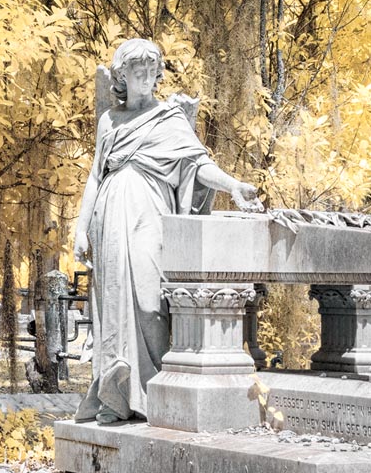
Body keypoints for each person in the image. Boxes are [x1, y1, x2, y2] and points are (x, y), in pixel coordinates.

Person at [73, 39, 263, 424]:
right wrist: (80, 228)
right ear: (122, 76)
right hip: (109, 219)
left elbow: (197, 165)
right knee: (113, 305)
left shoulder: (169, 119)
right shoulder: (109, 121)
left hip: (148, 215)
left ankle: (157, 390)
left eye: (150, 70)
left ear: (158, 73)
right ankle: (116, 397)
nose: (145, 77)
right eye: (136, 71)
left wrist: (233, 186)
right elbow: (96, 177)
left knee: (148, 301)